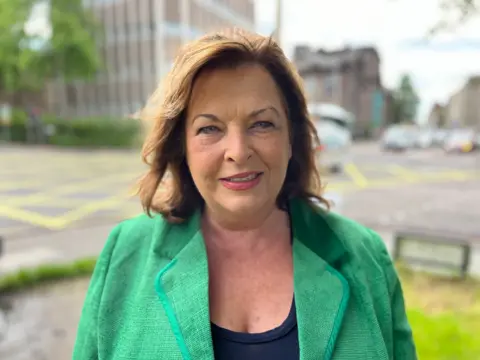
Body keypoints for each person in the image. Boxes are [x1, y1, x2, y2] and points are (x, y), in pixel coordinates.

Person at [73, 28, 417, 360]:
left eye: (262, 124)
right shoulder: (124, 255)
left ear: (291, 138)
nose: (238, 151)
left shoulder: (365, 256)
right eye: (209, 128)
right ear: (182, 145)